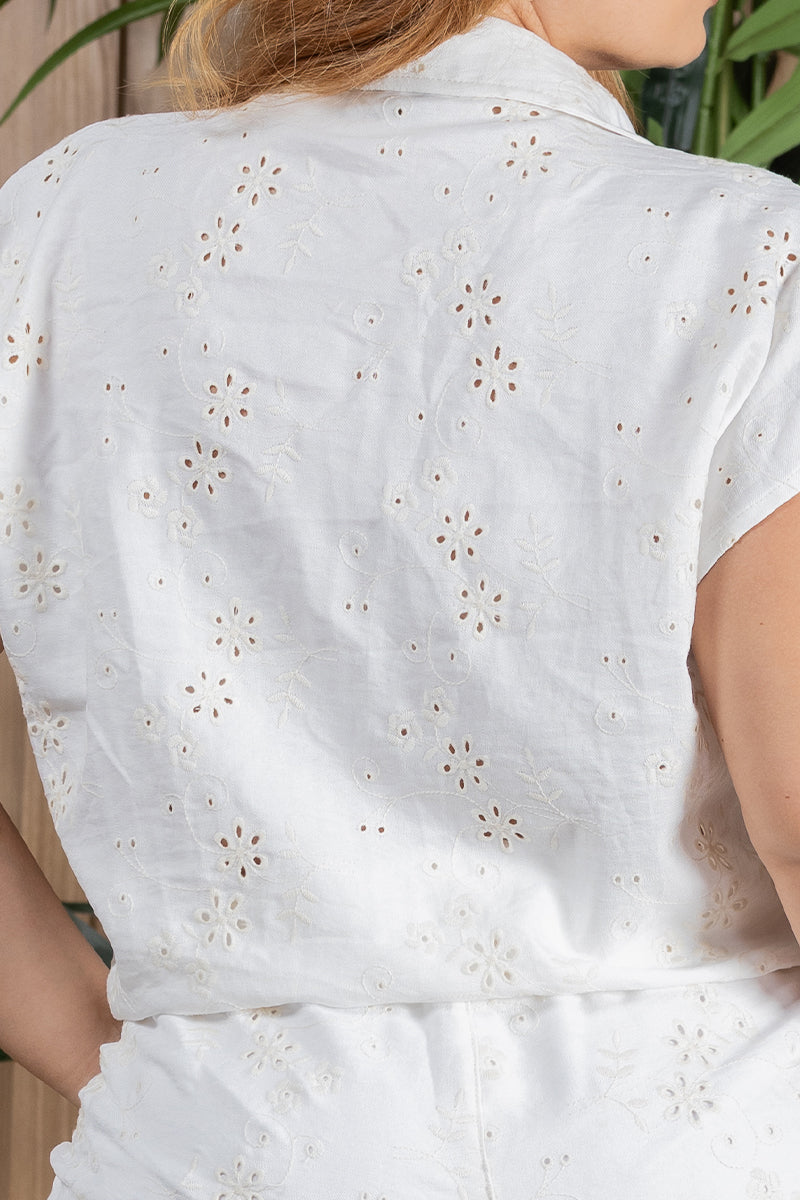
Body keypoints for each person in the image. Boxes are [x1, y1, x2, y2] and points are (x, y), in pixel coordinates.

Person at [1, 0, 800, 1194]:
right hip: (692, 1151)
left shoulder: (57, 226)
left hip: (210, 1149)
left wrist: (133, 1071)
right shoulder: (740, 258)